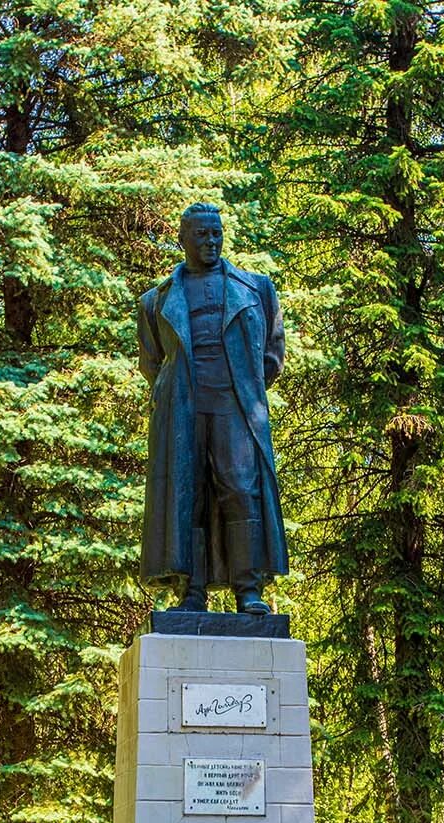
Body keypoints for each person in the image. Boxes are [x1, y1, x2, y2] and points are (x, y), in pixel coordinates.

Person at [137, 204, 288, 614]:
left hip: (234, 405)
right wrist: (176, 392)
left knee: (241, 490)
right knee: (189, 496)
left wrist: (246, 386)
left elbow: (272, 353)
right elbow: (152, 361)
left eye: (216, 233)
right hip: (183, 408)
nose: (211, 241)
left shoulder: (256, 288)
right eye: (202, 234)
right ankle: (192, 592)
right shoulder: (155, 300)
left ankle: (248, 590)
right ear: (182, 239)